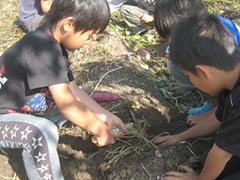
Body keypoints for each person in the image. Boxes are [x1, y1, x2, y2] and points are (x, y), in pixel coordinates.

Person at [0, 0, 126, 179]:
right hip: (3, 121)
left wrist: (105, 117)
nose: (89, 41)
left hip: (21, 114)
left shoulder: (54, 45)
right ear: (68, 24)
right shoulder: (42, 48)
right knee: (41, 133)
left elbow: (73, 92)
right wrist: (98, 128)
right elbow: (68, 106)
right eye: (88, 35)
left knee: (74, 108)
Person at [158, 14, 240, 180]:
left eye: (189, 76)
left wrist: (198, 179)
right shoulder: (230, 85)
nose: (191, 81)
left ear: (202, 71)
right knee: (208, 156)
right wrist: (178, 138)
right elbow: (217, 119)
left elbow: (221, 154)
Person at [154, 0, 240, 126]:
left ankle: (216, 105)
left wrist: (210, 117)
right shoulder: (197, 32)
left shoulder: (221, 37)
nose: (172, 42)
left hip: (230, 81)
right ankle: (213, 102)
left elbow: (233, 98)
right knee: (174, 62)